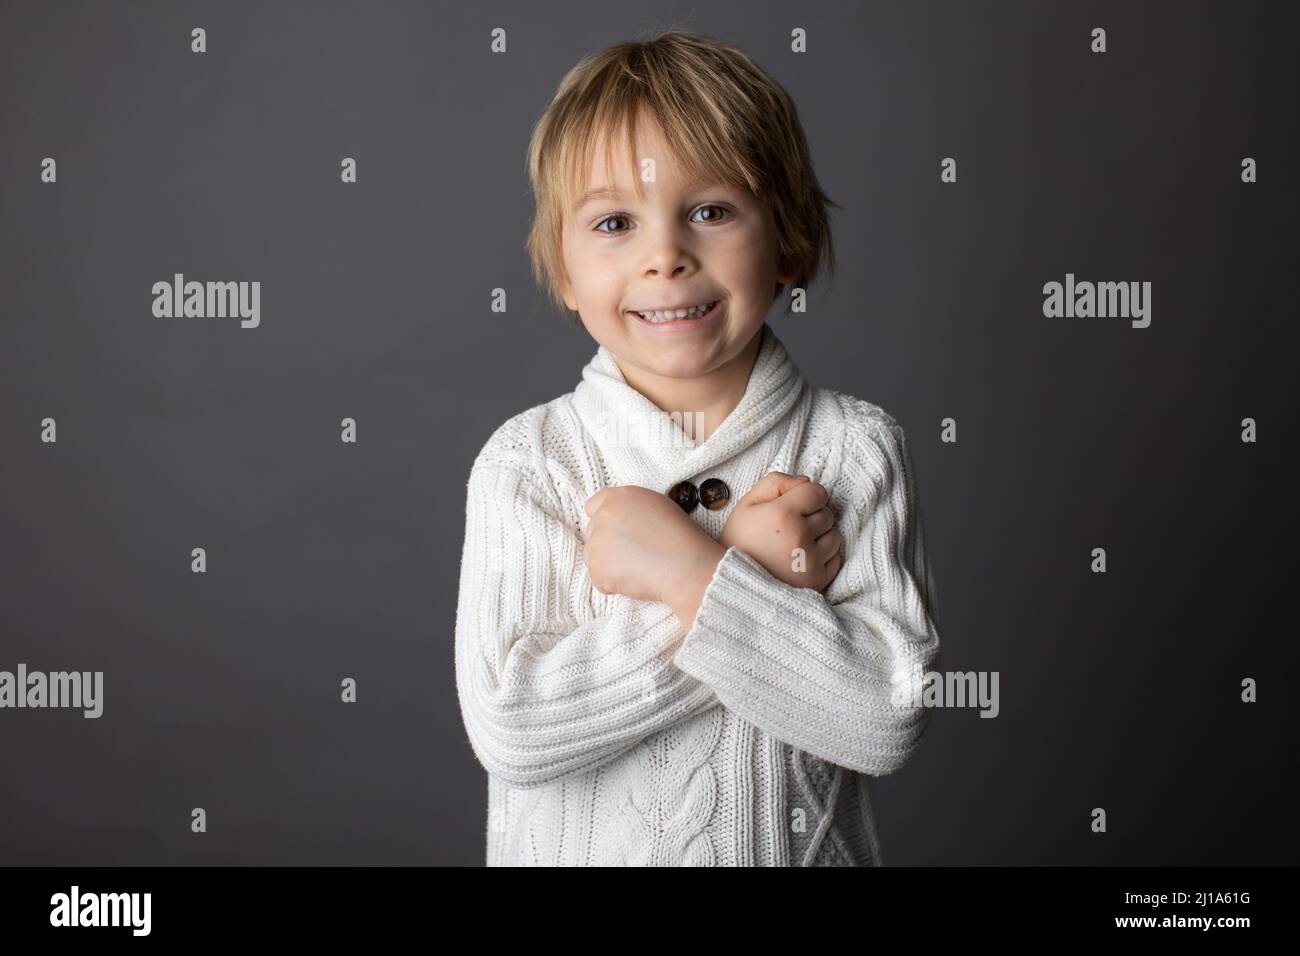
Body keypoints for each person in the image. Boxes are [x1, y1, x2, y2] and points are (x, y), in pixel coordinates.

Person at [454, 29, 941, 866]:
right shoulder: (530, 463)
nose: (664, 257)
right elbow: (513, 727)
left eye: (710, 212)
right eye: (614, 222)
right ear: (564, 270)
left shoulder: (854, 449)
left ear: (788, 239)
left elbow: (886, 715)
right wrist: (736, 569)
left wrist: (695, 574)